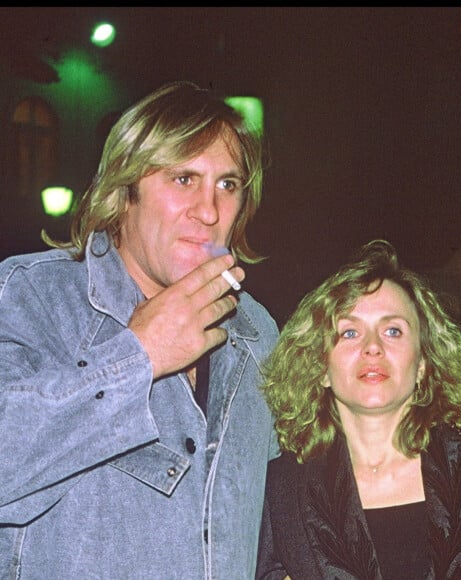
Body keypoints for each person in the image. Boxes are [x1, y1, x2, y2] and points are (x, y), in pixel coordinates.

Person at [0, 81, 280, 579]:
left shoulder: (256, 331)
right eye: (183, 179)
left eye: (227, 184)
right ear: (123, 192)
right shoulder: (30, 296)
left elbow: (281, 511)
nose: (210, 210)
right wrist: (138, 355)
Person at [257, 239, 461, 579]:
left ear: (424, 363)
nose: (372, 347)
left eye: (393, 330)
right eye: (350, 332)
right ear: (320, 367)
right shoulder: (281, 488)